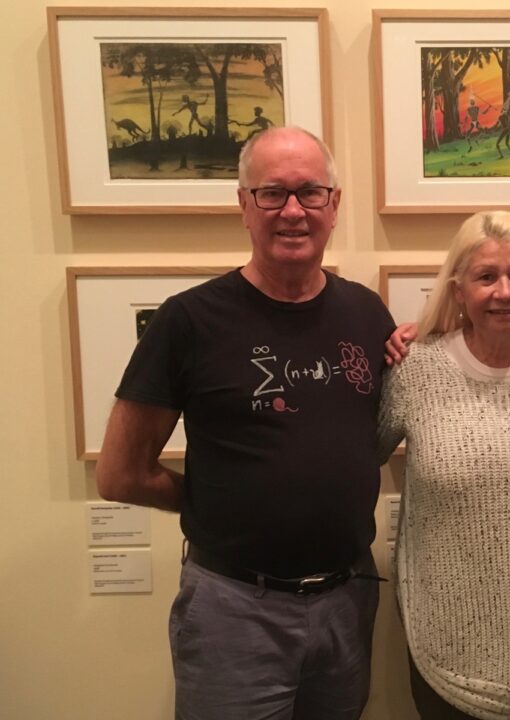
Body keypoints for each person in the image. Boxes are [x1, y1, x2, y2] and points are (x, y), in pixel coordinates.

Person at [96, 126, 395, 720]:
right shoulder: (188, 321)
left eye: (310, 192)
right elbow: (119, 474)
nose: (292, 211)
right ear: (243, 205)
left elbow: (367, 437)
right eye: (271, 193)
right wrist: (210, 500)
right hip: (235, 608)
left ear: (334, 205)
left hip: (347, 601)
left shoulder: (366, 311)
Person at [378, 211, 510, 720]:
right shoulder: (415, 367)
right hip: (444, 640)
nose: (504, 292)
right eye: (486, 277)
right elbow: (357, 456)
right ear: (458, 289)